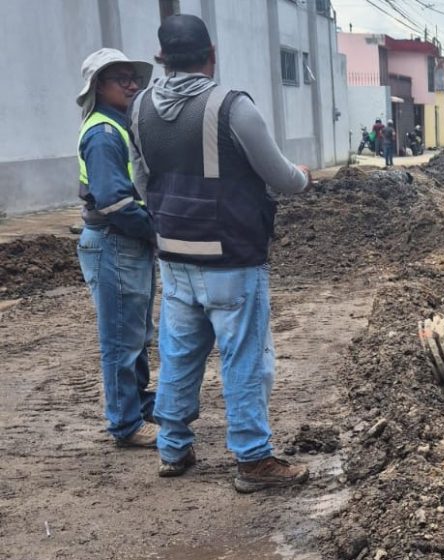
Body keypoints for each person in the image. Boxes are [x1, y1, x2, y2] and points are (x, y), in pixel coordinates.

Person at [131, 14, 312, 491]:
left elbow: (142, 180)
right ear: (212, 55)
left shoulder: (139, 107)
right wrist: (303, 176)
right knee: (242, 358)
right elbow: (280, 178)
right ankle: (253, 460)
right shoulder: (232, 107)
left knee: (178, 354)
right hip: (230, 256)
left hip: (173, 255)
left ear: (161, 59)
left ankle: (173, 447)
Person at [75, 48, 158, 448]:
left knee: (136, 334)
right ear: (98, 87)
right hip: (115, 241)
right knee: (121, 339)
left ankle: (139, 406)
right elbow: (113, 200)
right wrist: (154, 230)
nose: (131, 85)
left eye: (133, 77)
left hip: (122, 243)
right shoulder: (104, 134)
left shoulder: (117, 127)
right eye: (120, 79)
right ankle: (126, 423)